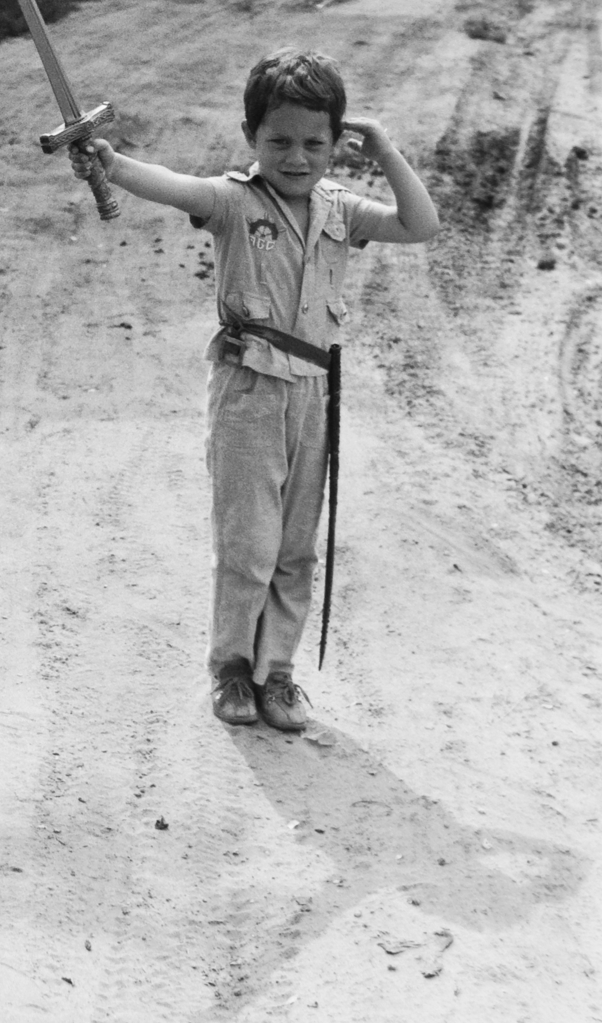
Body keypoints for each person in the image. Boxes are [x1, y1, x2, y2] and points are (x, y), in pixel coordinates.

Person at [71, 48, 440, 732]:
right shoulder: (236, 201)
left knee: (296, 546)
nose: (297, 157)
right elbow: (175, 185)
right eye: (278, 142)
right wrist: (112, 165)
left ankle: (278, 674)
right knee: (248, 541)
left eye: (314, 142)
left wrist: (384, 145)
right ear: (252, 139)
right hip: (248, 390)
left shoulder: (340, 210)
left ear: (336, 144)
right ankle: (232, 668)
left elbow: (421, 225)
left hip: (314, 397)